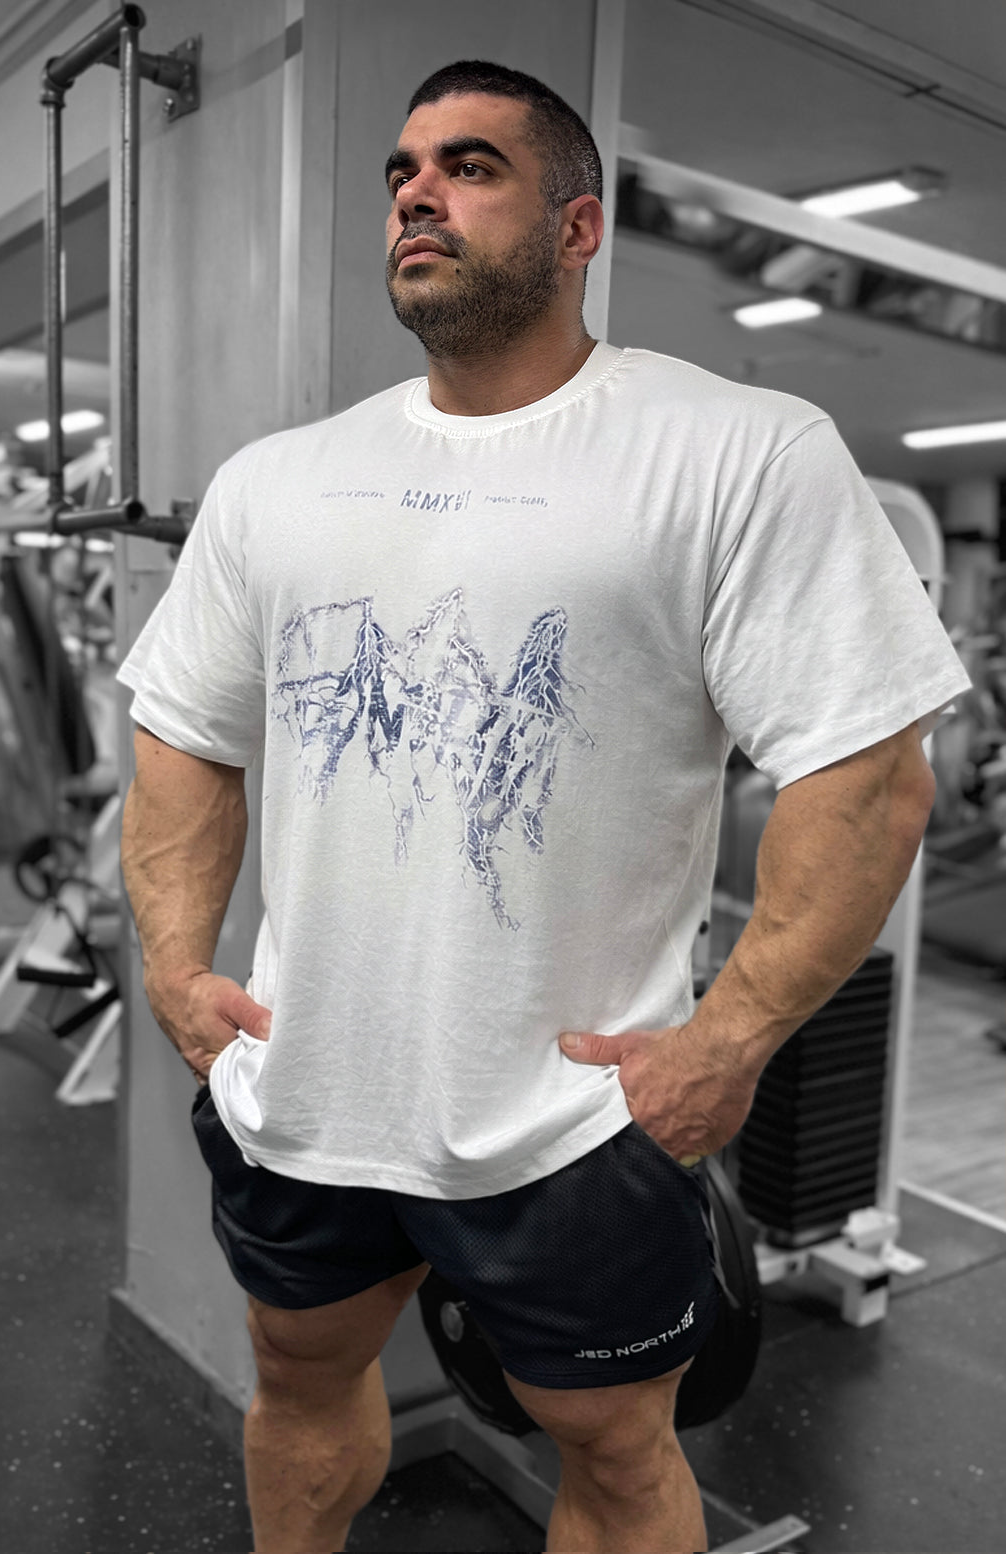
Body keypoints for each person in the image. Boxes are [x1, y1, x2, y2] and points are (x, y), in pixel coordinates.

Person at [119, 58, 972, 1554]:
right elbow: (185, 735)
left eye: (469, 166)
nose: (416, 194)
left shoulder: (739, 453)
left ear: (579, 228)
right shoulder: (279, 482)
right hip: (300, 1091)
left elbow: (870, 776)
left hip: (572, 1118)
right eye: (401, 171)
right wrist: (177, 965)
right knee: (295, 1377)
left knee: (618, 1450)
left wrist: (730, 1040)